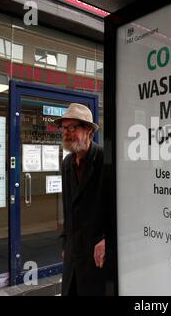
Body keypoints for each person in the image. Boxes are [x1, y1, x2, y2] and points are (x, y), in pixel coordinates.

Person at [54, 103, 107, 296]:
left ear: (89, 131)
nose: (67, 133)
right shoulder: (67, 163)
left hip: (97, 254)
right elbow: (69, 208)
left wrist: (108, 240)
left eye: (73, 127)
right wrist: (65, 243)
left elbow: (122, 206)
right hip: (73, 252)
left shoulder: (105, 159)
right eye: (64, 128)